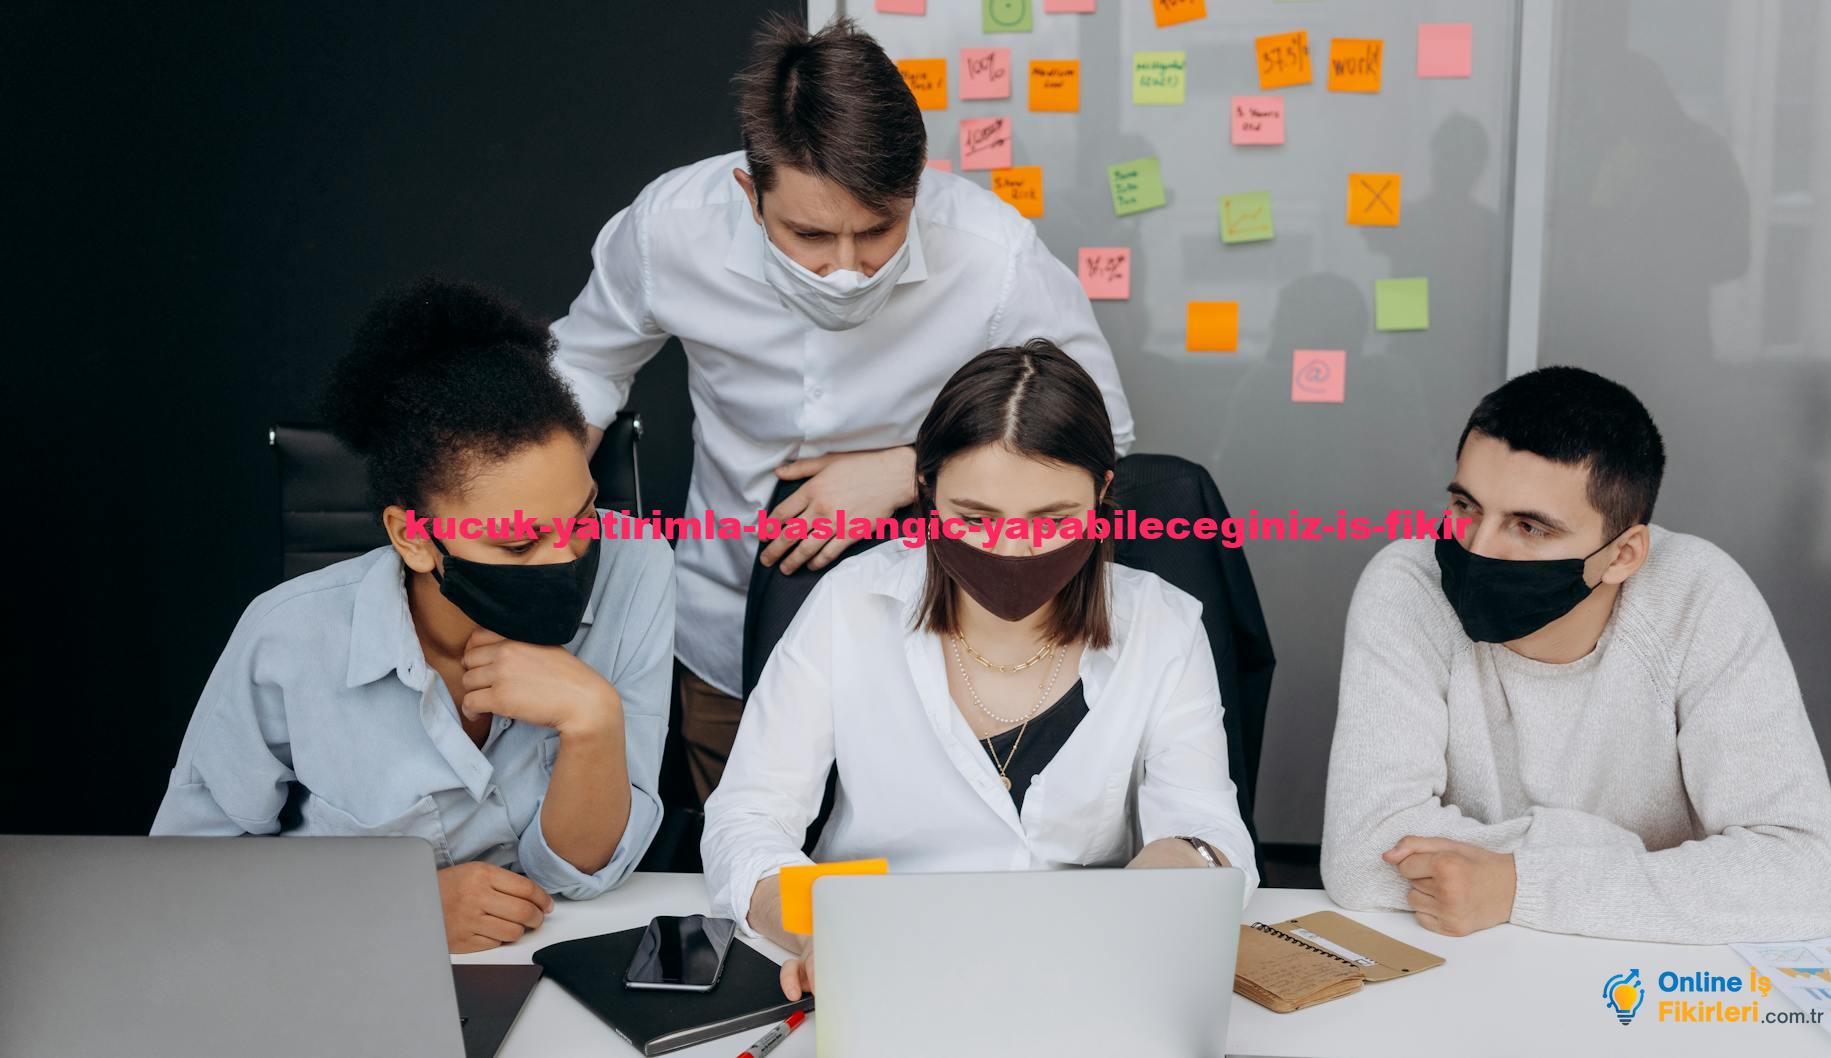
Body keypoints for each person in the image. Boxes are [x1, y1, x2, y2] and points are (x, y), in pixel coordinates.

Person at [548, 16, 1133, 802]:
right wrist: (534, 512)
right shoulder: (669, 229)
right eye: (811, 235)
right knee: (746, 845)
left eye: (879, 231)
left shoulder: (994, 255)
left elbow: (1103, 435)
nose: (849, 270)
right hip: (723, 621)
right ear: (751, 195)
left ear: (918, 183)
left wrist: (908, 472)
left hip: (938, 631)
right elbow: (585, 363)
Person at [701, 340, 1254, 1001]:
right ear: (927, 492)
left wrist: (1180, 865)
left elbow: (1211, 830)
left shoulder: (1162, 624)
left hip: (1086, 978)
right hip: (880, 969)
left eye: (1053, 520)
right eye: (975, 518)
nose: (1013, 549)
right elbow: (749, 821)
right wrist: (825, 928)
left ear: (1103, 494)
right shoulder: (851, 603)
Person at [152, 279, 676, 953]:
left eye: (580, 517)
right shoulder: (285, 636)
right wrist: (397, 907)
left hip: (550, 952)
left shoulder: (636, 565)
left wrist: (593, 721)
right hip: (339, 959)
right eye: (518, 541)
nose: (566, 554)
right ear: (414, 538)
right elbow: (185, 872)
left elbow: (579, 876)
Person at [1321, 366, 1831, 944]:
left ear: (1622, 555)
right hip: (1470, 966)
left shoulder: (1700, 596)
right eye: (1466, 507)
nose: (1478, 548)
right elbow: (1361, 856)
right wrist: (1649, 867)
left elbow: (1806, 874)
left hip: (1654, 979)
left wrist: (1517, 886)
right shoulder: (1408, 584)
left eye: (1528, 526)